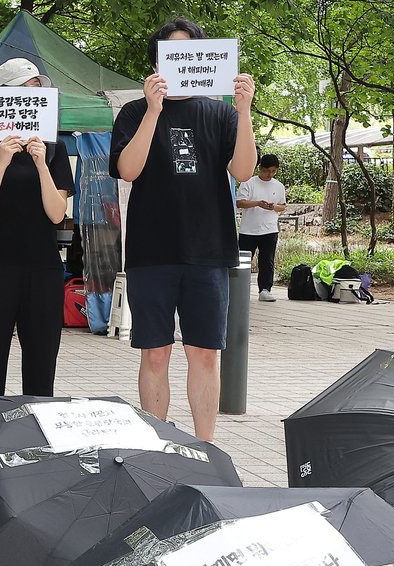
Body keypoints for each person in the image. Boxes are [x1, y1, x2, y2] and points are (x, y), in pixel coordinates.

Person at [110, 18, 256, 442]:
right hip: (151, 251)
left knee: (205, 353)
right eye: (171, 54)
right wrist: (154, 111)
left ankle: (205, 447)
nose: (181, 62)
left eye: (189, 53)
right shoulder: (135, 112)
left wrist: (244, 110)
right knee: (155, 352)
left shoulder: (221, 112)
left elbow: (243, 170)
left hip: (209, 251)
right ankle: (156, 443)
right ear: (158, 62)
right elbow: (126, 170)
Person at [0, 58, 75, 413]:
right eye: (25, 91)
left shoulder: (53, 149)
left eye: (37, 92)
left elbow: (57, 213)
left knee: (42, 365)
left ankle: (36, 442)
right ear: (4, 97)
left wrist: (41, 163)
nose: (32, 98)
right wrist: (2, 163)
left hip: (41, 267)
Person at [236, 153, 286, 301]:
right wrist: (257, 203)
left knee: (267, 261)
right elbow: (240, 203)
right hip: (248, 230)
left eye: (273, 171)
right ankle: (238, 289)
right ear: (260, 168)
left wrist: (272, 207)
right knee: (243, 261)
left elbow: (282, 206)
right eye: (266, 171)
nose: (269, 174)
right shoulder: (248, 183)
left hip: (269, 229)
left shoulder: (278, 186)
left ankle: (265, 289)